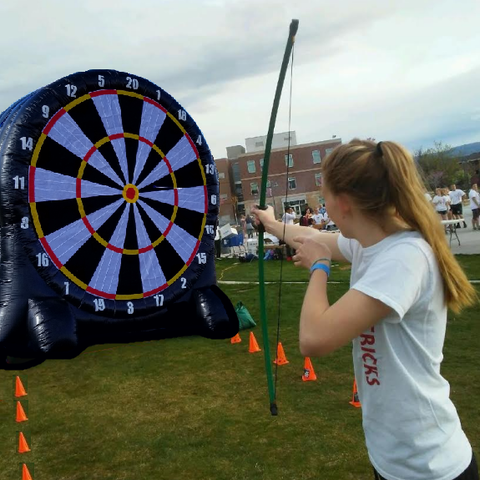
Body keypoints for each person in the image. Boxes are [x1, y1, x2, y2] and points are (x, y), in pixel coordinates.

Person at [253, 139, 478, 480]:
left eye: (324, 195)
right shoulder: (369, 243)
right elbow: (310, 239)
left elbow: (313, 339)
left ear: (343, 203)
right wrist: (272, 225)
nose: (324, 204)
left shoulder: (403, 259)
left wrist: (320, 268)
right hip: (393, 459)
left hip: (429, 466)